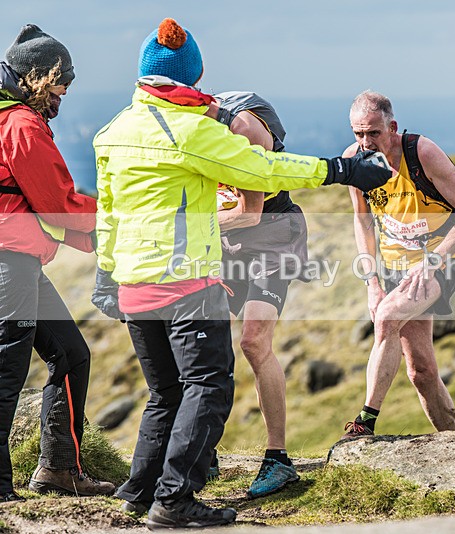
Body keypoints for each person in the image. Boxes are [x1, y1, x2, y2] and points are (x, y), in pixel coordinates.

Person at [90, 19, 391, 529]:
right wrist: (340, 171)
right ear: (191, 79)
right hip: (190, 274)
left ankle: (150, 488)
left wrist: (106, 271)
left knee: (187, 379)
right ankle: (173, 495)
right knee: (206, 383)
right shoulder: (192, 131)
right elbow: (267, 172)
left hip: (176, 270)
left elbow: (109, 212)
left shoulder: (115, 130)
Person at [0, 24, 115, 502]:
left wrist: (98, 238)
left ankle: (59, 469)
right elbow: (60, 205)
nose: (65, 91)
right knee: (6, 370)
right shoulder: (21, 125)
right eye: (62, 81)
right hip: (9, 264)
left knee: (70, 354)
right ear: (37, 76)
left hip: (16, 260)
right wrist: (116, 218)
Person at [341, 91, 455, 439]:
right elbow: (362, 222)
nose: (365, 142)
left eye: (373, 133)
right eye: (358, 133)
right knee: (420, 371)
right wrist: (371, 281)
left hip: (439, 258)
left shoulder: (422, 153)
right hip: (392, 265)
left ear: (392, 127)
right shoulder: (354, 161)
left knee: (388, 316)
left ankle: (364, 422)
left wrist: (433, 263)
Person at [210, 91, 306, 498]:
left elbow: (249, 212)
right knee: (204, 342)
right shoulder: (181, 129)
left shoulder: (244, 131)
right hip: (226, 244)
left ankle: (277, 459)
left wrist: (190, 226)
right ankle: (198, 449)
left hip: (272, 237)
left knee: (253, 342)